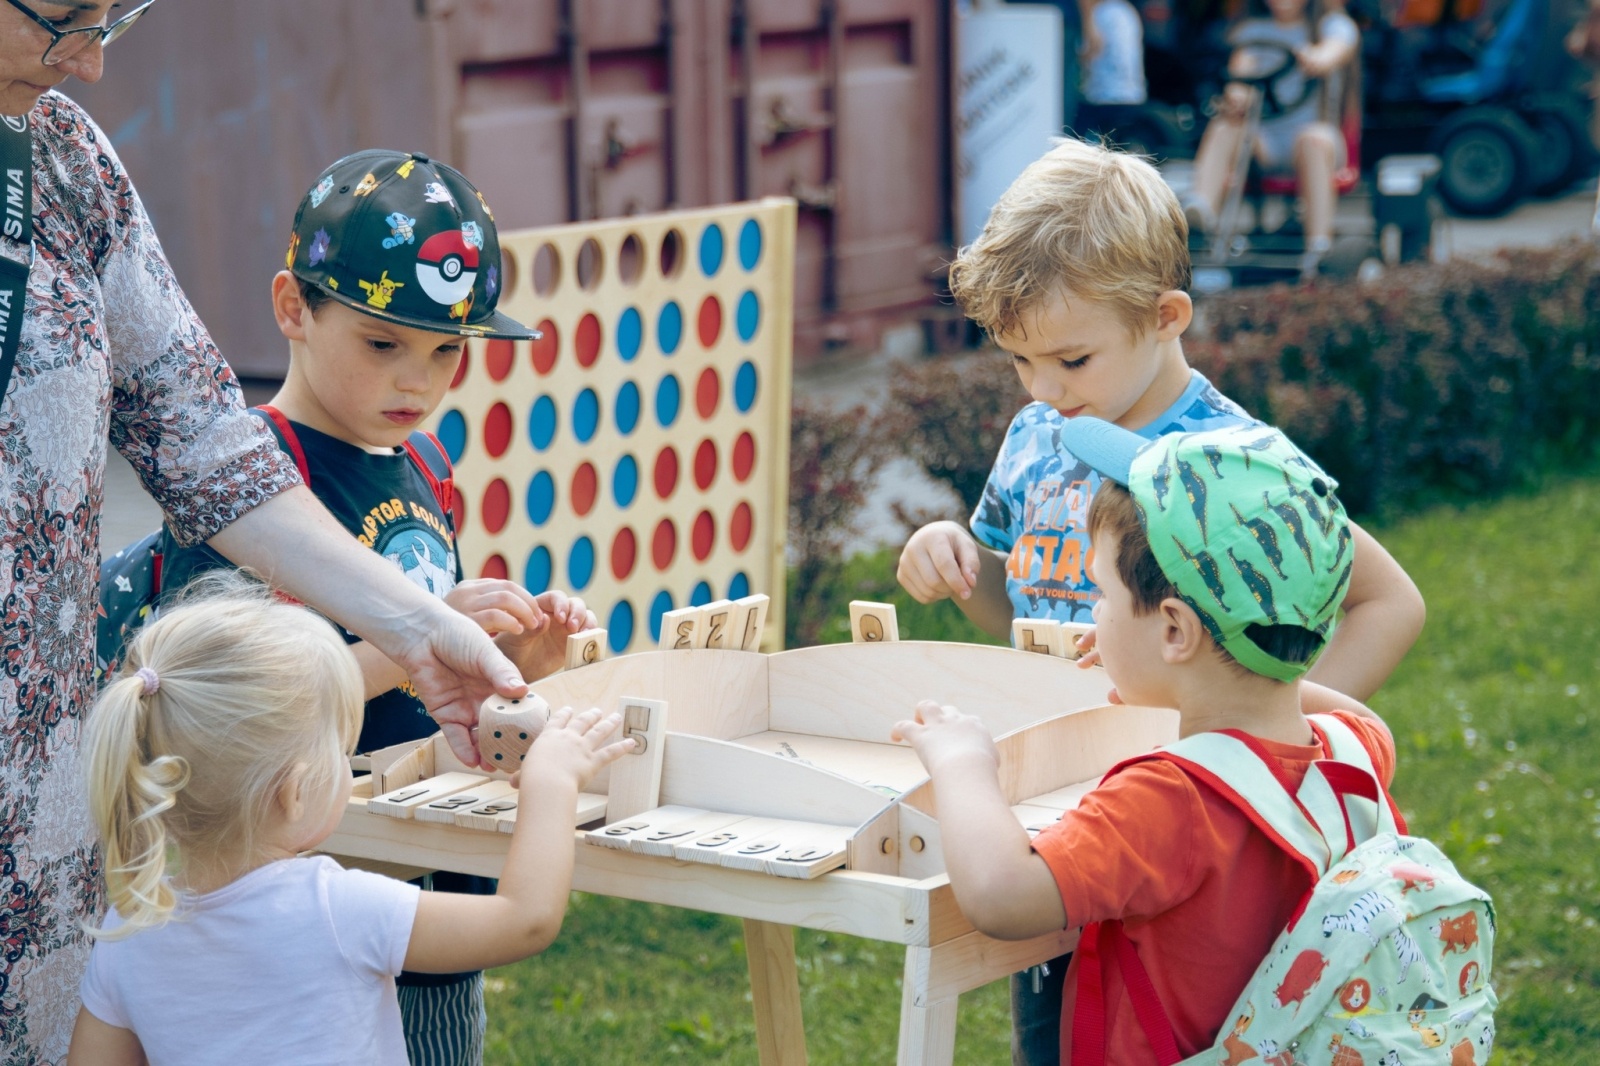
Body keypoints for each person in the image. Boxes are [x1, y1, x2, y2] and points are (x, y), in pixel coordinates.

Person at [0, 6, 531, 1058]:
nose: (95, 63)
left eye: (116, 15)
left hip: (42, 820)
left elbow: (203, 442)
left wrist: (422, 633)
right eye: (64, 16)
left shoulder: (62, 156)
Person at [896, 136, 1423, 1065]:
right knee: (1068, 1019)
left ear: (1166, 316)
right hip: (1055, 793)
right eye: (1020, 363)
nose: (1046, 391)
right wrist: (955, 562)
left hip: (1189, 815)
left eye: (1070, 359)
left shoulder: (1235, 465)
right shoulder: (1037, 434)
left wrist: (1263, 726)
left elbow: (1390, 600)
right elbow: (1014, 604)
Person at [151, 147, 593, 1064]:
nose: (418, 383)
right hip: (307, 885)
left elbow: (429, 679)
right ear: (291, 309)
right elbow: (235, 707)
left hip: (426, 862)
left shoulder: (424, 466)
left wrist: (517, 660)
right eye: (384, 344)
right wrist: (426, 634)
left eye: (446, 353)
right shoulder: (249, 488)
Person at [893, 419, 1399, 1063]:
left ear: (1174, 633)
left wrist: (962, 760)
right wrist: (1166, 676)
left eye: (1101, 594)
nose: (1094, 616)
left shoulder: (1170, 799)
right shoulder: (1353, 749)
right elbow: (1355, 714)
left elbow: (1002, 896)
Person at [64, 579, 633, 1064]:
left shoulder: (130, 927)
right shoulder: (337, 909)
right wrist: (552, 783)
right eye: (343, 747)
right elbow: (524, 921)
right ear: (293, 792)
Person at [1181, 0, 1361, 277]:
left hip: (1315, 138)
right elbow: (1241, 72)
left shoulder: (1330, 25)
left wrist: (1318, 57)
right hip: (1265, 140)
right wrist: (1238, 93)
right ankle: (1202, 210)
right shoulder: (1252, 30)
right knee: (1226, 125)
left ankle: (1318, 246)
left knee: (1312, 139)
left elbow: (1336, 49)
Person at [1072, 0, 1150, 146]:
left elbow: (1089, 50)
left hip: (1102, 98)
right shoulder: (1126, 11)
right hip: (1132, 95)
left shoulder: (1100, 14)